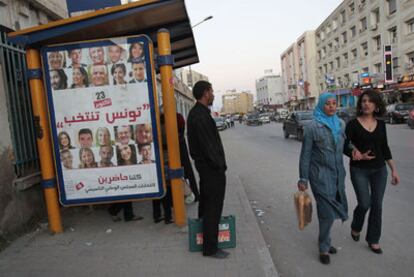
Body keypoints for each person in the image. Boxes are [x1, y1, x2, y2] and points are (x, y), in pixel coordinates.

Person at [344, 89, 400, 254]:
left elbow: (385, 148)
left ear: (376, 105)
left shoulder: (381, 124)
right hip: (359, 169)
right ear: (360, 104)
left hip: (379, 170)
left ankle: (373, 240)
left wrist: (394, 170)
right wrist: (356, 154)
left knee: (377, 205)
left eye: (369, 101)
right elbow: (345, 144)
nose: (366, 103)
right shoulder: (353, 124)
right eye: (363, 101)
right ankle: (356, 226)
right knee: (364, 203)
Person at [298, 92, 348, 265]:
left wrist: (356, 152)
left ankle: (326, 239)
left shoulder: (341, 124)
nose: (332, 106)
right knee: (327, 211)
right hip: (319, 175)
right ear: (321, 105)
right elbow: (305, 155)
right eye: (328, 104)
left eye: (334, 103)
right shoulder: (312, 127)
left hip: (337, 175)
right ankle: (324, 247)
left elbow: (345, 147)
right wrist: (303, 178)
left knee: (329, 211)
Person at [187, 80, 228, 259]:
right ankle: (210, 248)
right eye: (211, 91)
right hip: (211, 170)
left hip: (206, 169)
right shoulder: (200, 115)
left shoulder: (199, 113)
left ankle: (203, 240)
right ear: (205, 93)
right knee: (213, 207)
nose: (213, 94)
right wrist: (220, 166)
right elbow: (209, 146)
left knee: (206, 205)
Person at [176, 113, 200, 201]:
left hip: (176, 147)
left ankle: (188, 194)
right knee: (187, 172)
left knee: (184, 173)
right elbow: (182, 130)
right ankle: (194, 194)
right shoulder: (179, 116)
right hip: (181, 146)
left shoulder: (176, 117)